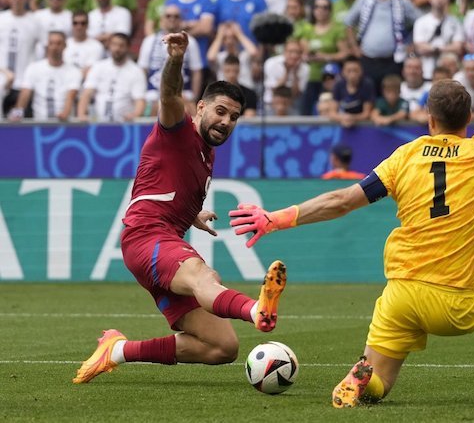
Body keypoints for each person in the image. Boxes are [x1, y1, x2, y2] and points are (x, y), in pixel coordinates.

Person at [227, 0, 474, 408]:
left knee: (379, 386)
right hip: (455, 306)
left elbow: (341, 200)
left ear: (429, 119)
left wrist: (276, 218)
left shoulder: (404, 157)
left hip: (402, 295)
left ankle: (362, 379)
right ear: (468, 121)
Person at [72, 31, 287, 384]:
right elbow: (170, 93)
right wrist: (175, 58)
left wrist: (192, 214)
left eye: (233, 117)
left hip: (161, 241)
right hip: (147, 238)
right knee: (205, 276)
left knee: (221, 347)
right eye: (220, 111)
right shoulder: (178, 128)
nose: (225, 122)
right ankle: (256, 309)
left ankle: (118, 350)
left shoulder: (206, 155)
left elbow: (167, 185)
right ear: (200, 107)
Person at [8, 31, 82, 122]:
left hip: (64, 123)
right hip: (39, 123)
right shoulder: (34, 68)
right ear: (47, 46)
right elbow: (25, 92)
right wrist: (18, 112)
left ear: (65, 45)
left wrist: (64, 114)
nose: (55, 47)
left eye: (58, 43)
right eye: (51, 43)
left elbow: (71, 96)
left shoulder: (73, 71)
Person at [77, 33, 146, 122]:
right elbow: (86, 94)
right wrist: (81, 114)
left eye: (121, 46)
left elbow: (139, 100)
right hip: (98, 124)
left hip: (125, 125)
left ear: (128, 48)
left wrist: (135, 115)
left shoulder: (136, 71)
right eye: (114, 45)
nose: (117, 49)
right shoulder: (98, 67)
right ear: (109, 46)